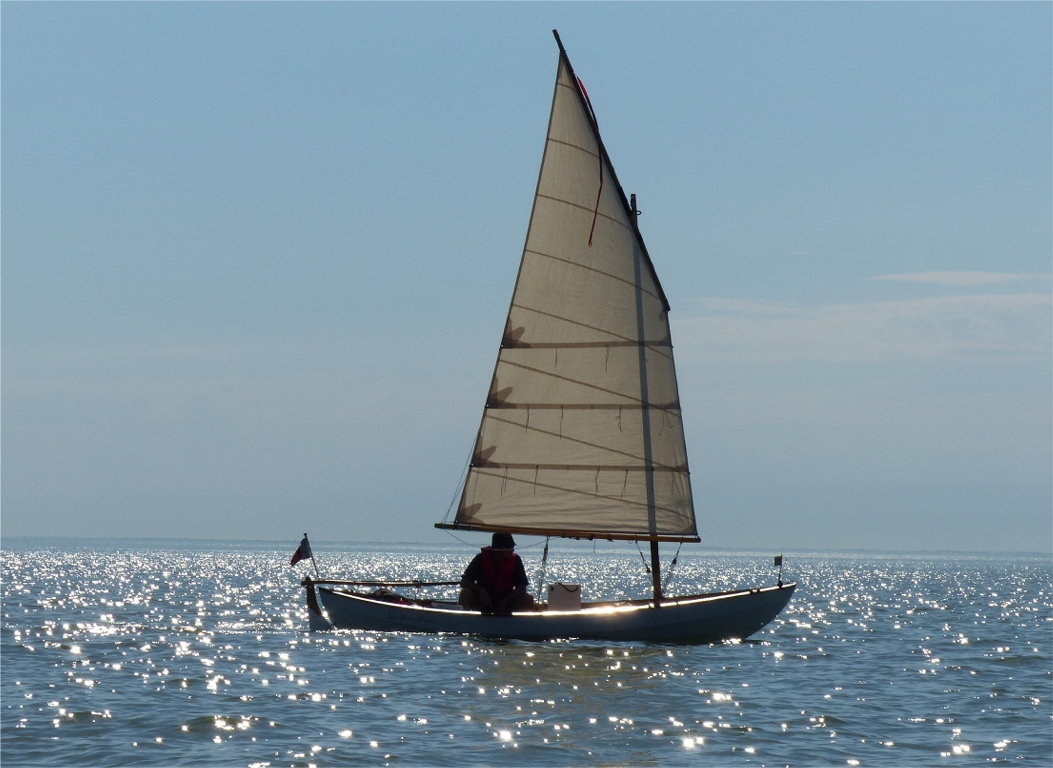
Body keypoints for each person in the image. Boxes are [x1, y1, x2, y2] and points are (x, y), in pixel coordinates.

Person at [459, 533, 535, 614]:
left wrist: (505, 601)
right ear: (499, 549)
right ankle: (466, 622)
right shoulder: (481, 558)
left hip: (506, 601)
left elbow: (521, 588)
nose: (512, 550)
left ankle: (519, 625)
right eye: (509, 547)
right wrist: (480, 590)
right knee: (465, 594)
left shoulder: (516, 561)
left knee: (527, 599)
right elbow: (464, 582)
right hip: (483, 600)